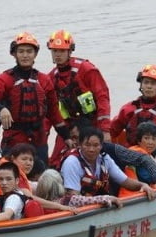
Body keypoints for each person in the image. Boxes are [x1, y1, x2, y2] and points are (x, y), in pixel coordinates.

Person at [0, 31, 69, 165]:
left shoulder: (44, 80)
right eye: (21, 51)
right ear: (14, 54)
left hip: (38, 141)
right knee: (11, 176)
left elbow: (54, 113)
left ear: (35, 54)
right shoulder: (3, 80)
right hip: (14, 140)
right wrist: (1, 109)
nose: (25, 55)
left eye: (29, 51)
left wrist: (67, 137)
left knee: (41, 178)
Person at [46, 29, 113, 163]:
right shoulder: (51, 78)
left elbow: (102, 98)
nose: (58, 55)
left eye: (62, 51)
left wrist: (105, 130)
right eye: (55, 51)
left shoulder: (87, 70)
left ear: (70, 51)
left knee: (99, 158)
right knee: (55, 160)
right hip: (70, 127)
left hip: (93, 123)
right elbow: (50, 111)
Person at [60, 126, 156, 201]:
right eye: (87, 145)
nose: (91, 149)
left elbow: (125, 181)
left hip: (99, 204)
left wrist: (143, 185)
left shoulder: (104, 158)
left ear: (102, 146)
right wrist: (103, 199)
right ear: (80, 145)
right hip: (75, 210)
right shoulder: (72, 162)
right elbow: (73, 199)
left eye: (96, 145)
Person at [0, 162, 74, 228]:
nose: (4, 183)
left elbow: (7, 215)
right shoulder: (19, 192)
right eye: (0, 179)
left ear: (17, 181)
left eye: (8, 179)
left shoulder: (13, 198)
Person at [110, 64, 156, 147]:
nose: (149, 86)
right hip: (131, 154)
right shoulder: (128, 109)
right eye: (146, 82)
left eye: (153, 83)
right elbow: (110, 131)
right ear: (141, 85)